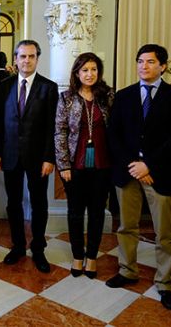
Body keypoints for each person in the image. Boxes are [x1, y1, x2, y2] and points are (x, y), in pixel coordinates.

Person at [105, 44, 171, 311]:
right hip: (127, 173)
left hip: (159, 174)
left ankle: (164, 283)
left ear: (162, 66)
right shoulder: (124, 95)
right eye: (140, 61)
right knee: (126, 226)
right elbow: (113, 134)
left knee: (164, 232)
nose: (144, 66)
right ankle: (127, 270)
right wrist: (133, 165)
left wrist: (148, 165)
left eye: (150, 62)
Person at [0, 39, 58, 273]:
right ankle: (18, 246)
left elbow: (52, 126)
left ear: (37, 59)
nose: (26, 60)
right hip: (10, 155)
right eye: (22, 56)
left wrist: (49, 158)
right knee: (13, 204)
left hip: (38, 158)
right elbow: (0, 123)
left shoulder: (48, 87)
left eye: (31, 56)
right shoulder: (5, 85)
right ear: (15, 59)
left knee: (38, 203)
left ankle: (39, 249)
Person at [54, 52, 114, 278]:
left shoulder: (107, 96)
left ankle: (92, 258)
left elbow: (115, 130)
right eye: (85, 70)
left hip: (102, 165)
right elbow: (59, 132)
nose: (90, 74)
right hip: (74, 166)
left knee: (97, 213)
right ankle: (77, 256)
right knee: (75, 213)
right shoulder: (66, 98)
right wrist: (63, 165)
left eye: (94, 69)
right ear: (77, 73)